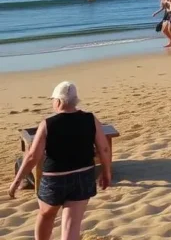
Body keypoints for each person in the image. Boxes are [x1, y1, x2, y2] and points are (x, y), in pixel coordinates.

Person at [8, 82, 111, 240]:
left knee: (46, 214)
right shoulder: (90, 119)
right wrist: (106, 172)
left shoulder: (48, 124)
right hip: (83, 175)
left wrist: (17, 181)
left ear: (58, 101)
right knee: (71, 225)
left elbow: (32, 156)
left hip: (54, 179)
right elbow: (104, 149)